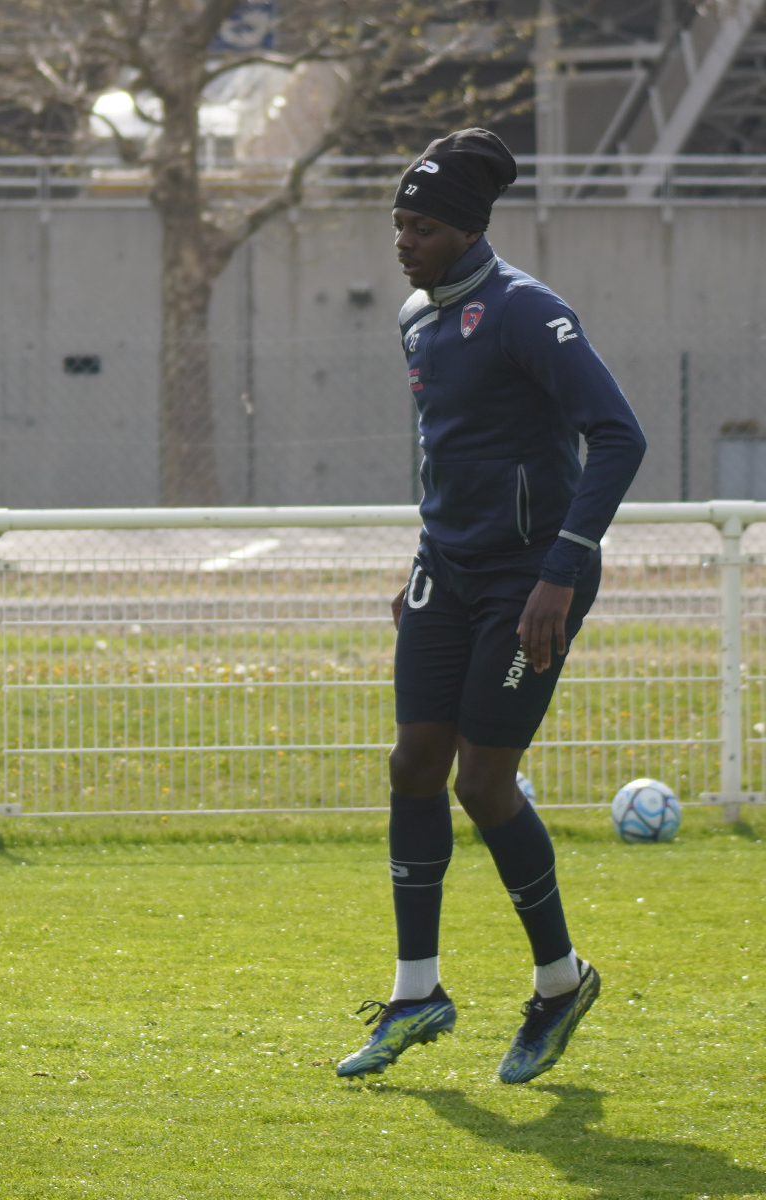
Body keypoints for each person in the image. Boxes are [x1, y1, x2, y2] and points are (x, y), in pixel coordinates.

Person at [336, 130, 646, 1083]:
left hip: (532, 578)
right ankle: (416, 994)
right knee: (413, 764)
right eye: (398, 224)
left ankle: (560, 982)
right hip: (448, 569)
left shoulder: (527, 312)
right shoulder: (415, 318)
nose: (403, 242)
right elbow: (447, 450)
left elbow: (618, 436)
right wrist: (421, 559)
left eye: (421, 227)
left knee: (482, 781)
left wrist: (562, 572)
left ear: (467, 231)